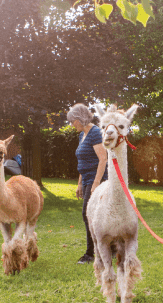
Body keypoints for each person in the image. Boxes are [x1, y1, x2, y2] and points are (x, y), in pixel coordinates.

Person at [67, 103, 106, 264]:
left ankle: (90, 254)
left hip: (97, 179)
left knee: (87, 214)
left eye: (72, 121)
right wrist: (79, 184)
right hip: (86, 179)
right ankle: (106, 248)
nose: (71, 124)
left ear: (80, 119)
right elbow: (82, 161)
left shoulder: (95, 132)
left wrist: (96, 183)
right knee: (91, 216)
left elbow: (103, 159)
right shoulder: (81, 135)